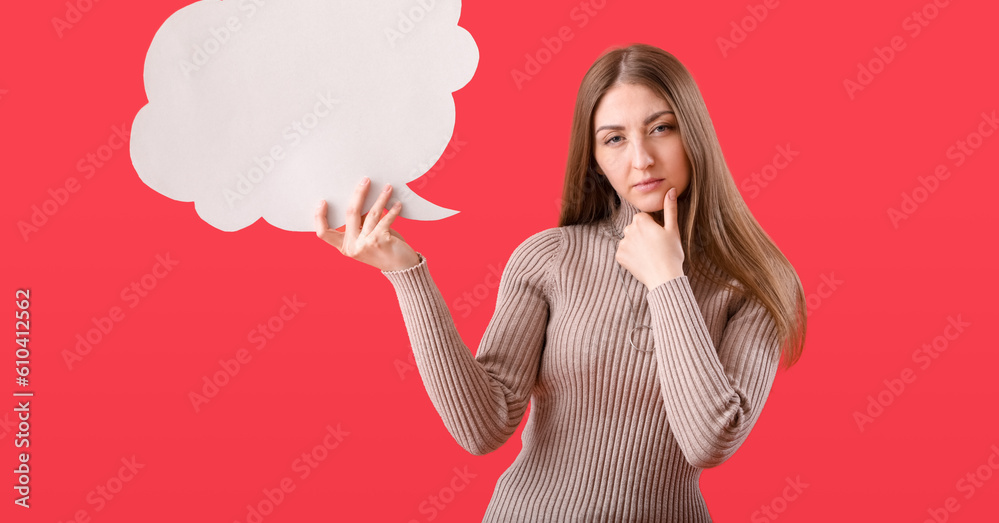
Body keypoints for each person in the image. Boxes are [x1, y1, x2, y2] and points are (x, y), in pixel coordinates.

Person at [314, 43, 807, 522]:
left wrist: (666, 279)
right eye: (614, 138)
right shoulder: (550, 257)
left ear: (694, 133)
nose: (641, 159)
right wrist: (407, 274)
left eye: (661, 129)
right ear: (594, 156)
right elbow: (482, 428)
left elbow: (709, 440)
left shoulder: (754, 281)